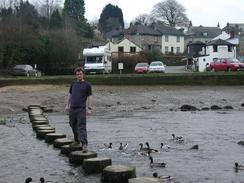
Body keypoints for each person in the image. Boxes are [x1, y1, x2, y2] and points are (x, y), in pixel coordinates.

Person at [65, 67, 93, 152]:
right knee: (72, 124)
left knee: (81, 126)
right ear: (75, 75)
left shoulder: (87, 85)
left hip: (81, 109)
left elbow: (90, 97)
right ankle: (77, 141)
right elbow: (70, 95)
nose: (79, 75)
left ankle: (84, 144)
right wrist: (67, 105)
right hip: (72, 109)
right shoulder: (73, 83)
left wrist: (89, 108)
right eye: (77, 74)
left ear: (83, 74)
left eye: (80, 74)